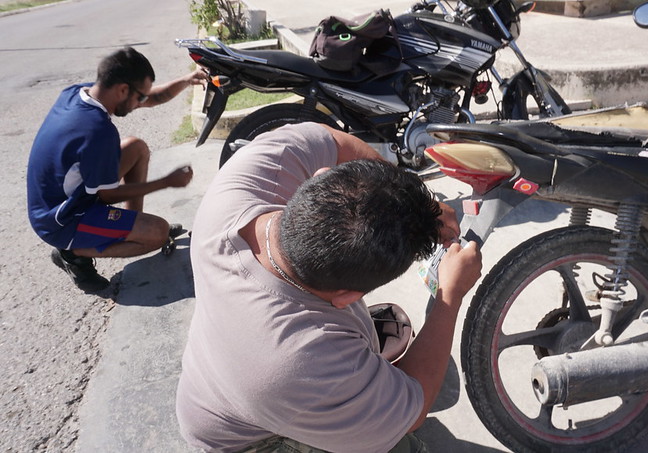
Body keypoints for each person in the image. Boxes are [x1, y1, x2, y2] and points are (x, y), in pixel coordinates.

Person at [176, 122, 482, 453]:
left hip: (226, 384)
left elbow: (331, 139)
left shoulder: (241, 188)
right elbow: (415, 411)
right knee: (402, 444)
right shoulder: (304, 361)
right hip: (247, 441)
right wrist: (449, 297)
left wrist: (425, 205)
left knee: (365, 351)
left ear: (320, 177)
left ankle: (359, 384)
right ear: (347, 298)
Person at [27, 46, 207, 292]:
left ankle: (131, 224)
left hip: (63, 199)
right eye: (139, 97)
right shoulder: (97, 131)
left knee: (136, 148)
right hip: (63, 220)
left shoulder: (79, 93)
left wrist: (187, 80)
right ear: (123, 89)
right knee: (158, 232)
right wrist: (167, 181)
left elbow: (153, 97)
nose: (141, 102)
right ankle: (72, 254)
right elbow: (107, 195)